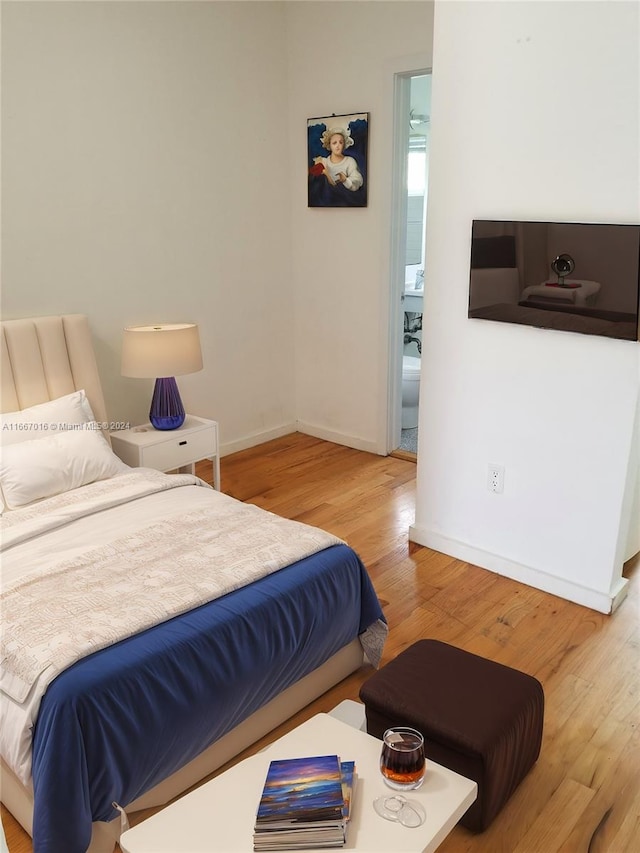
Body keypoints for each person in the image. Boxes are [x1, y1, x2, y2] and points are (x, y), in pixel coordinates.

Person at [310, 126, 364, 192]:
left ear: (344, 144)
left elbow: (357, 182)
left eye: (341, 142)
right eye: (334, 143)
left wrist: (345, 180)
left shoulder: (350, 161)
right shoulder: (323, 162)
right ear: (329, 145)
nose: (338, 146)